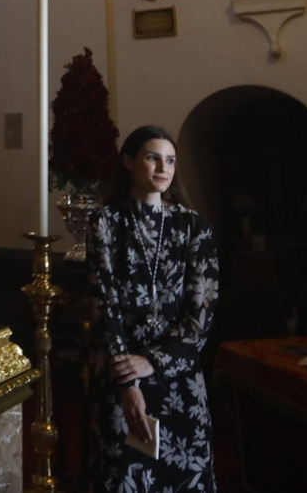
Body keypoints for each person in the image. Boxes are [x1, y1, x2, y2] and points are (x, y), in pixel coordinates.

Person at [87, 126, 220, 493]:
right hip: (121, 371)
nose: (164, 167)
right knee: (124, 476)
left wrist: (154, 360)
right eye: (152, 157)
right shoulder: (106, 222)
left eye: (171, 160)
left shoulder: (194, 226)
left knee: (183, 477)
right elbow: (105, 303)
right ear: (129, 162)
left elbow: (202, 312)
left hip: (179, 376)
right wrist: (129, 379)